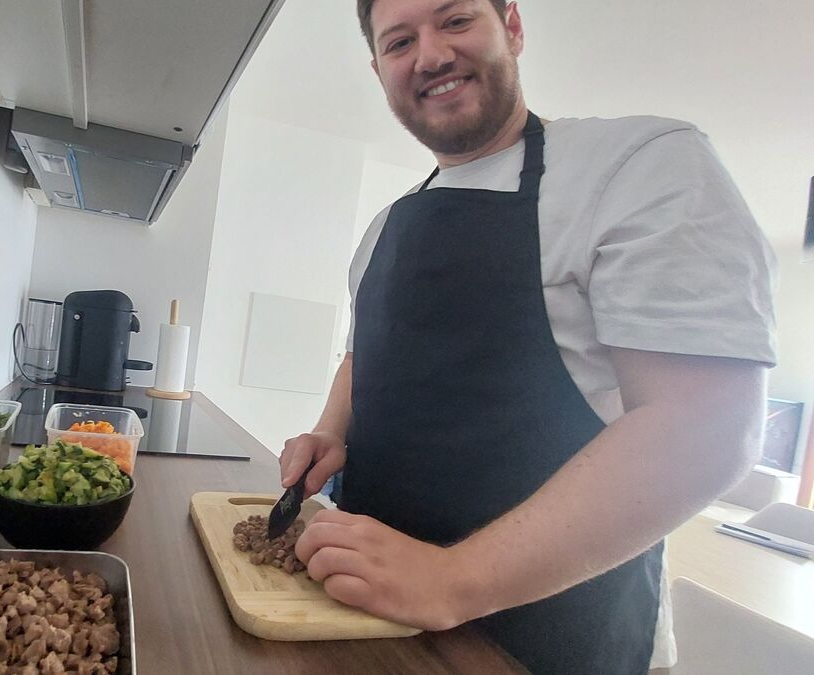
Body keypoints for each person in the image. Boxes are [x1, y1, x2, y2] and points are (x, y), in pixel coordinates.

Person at [277, 1, 777, 673]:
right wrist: (332, 428)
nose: (429, 55)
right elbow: (363, 352)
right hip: (371, 619)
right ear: (379, 69)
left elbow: (708, 424)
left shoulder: (641, 164)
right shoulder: (385, 227)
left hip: (556, 636)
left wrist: (449, 580)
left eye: (454, 20)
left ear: (511, 26)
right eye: (400, 41)